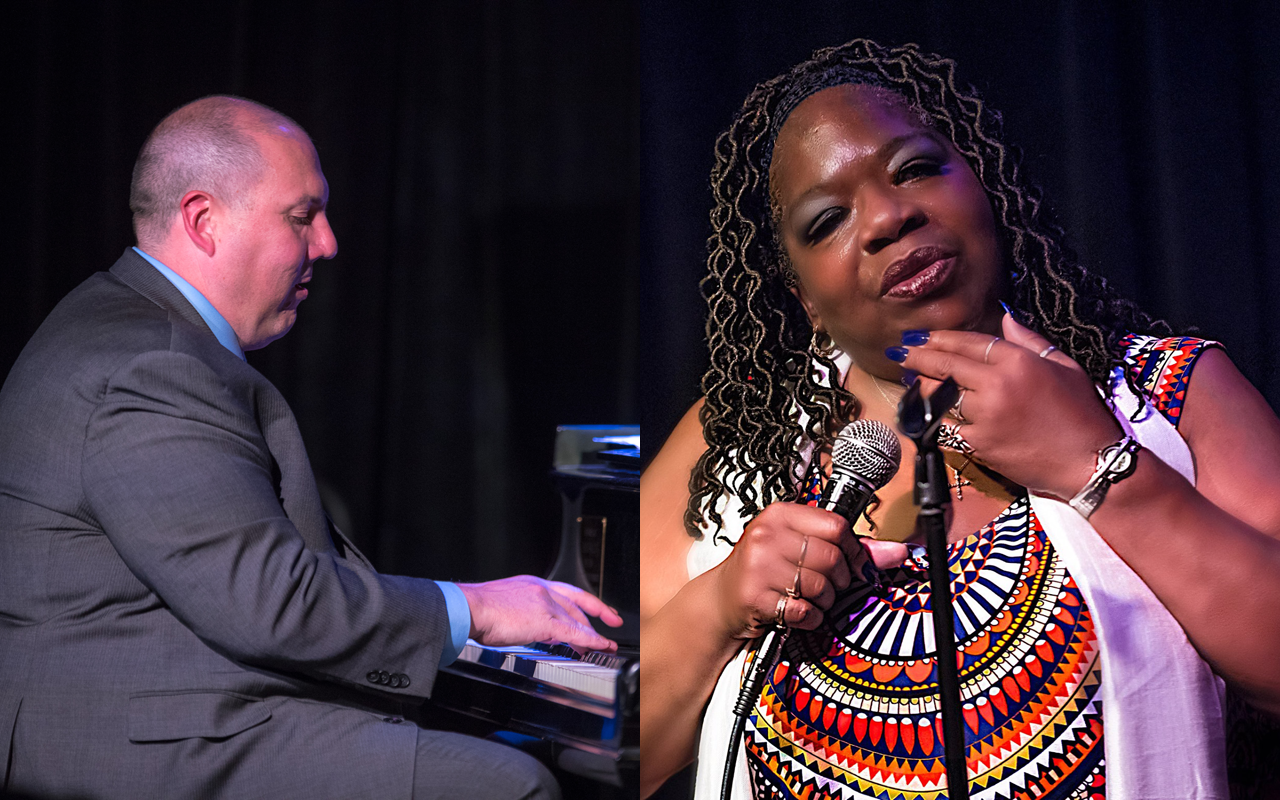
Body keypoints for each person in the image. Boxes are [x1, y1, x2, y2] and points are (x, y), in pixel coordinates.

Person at [640, 39, 1280, 799]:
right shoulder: (739, 443)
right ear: (804, 298)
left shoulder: (1169, 393)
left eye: (914, 169)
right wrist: (718, 605)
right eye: (827, 221)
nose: (886, 216)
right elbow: (621, 749)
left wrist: (1097, 468)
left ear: (983, 188)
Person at [0, 96, 622, 800]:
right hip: (137, 736)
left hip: (163, 699)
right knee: (511, 784)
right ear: (204, 221)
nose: (327, 243)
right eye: (302, 216)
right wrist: (478, 609)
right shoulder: (154, 365)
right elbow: (275, 604)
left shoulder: (119, 319)